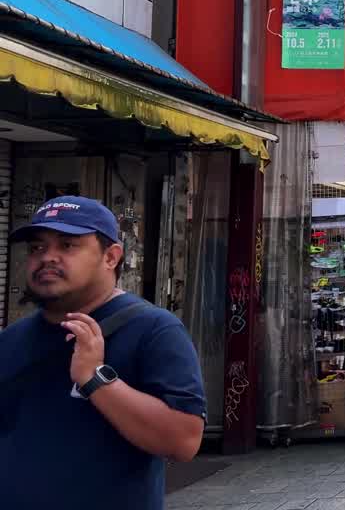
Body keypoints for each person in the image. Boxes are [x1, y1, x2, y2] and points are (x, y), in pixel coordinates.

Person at [0, 196, 206, 509]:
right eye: (36, 248)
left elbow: (184, 441)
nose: (47, 258)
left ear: (111, 257)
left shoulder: (154, 330)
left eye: (67, 245)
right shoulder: (13, 338)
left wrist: (95, 379)